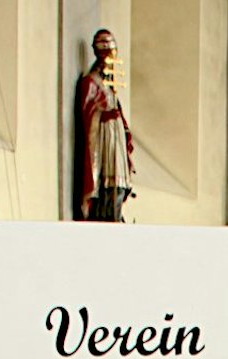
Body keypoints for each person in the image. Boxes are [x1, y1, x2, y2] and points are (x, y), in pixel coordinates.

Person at [74, 29, 134, 222]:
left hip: (115, 141)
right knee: (107, 182)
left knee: (119, 183)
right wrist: (102, 110)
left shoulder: (110, 86)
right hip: (104, 141)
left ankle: (115, 212)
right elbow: (88, 117)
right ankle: (103, 212)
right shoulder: (90, 82)